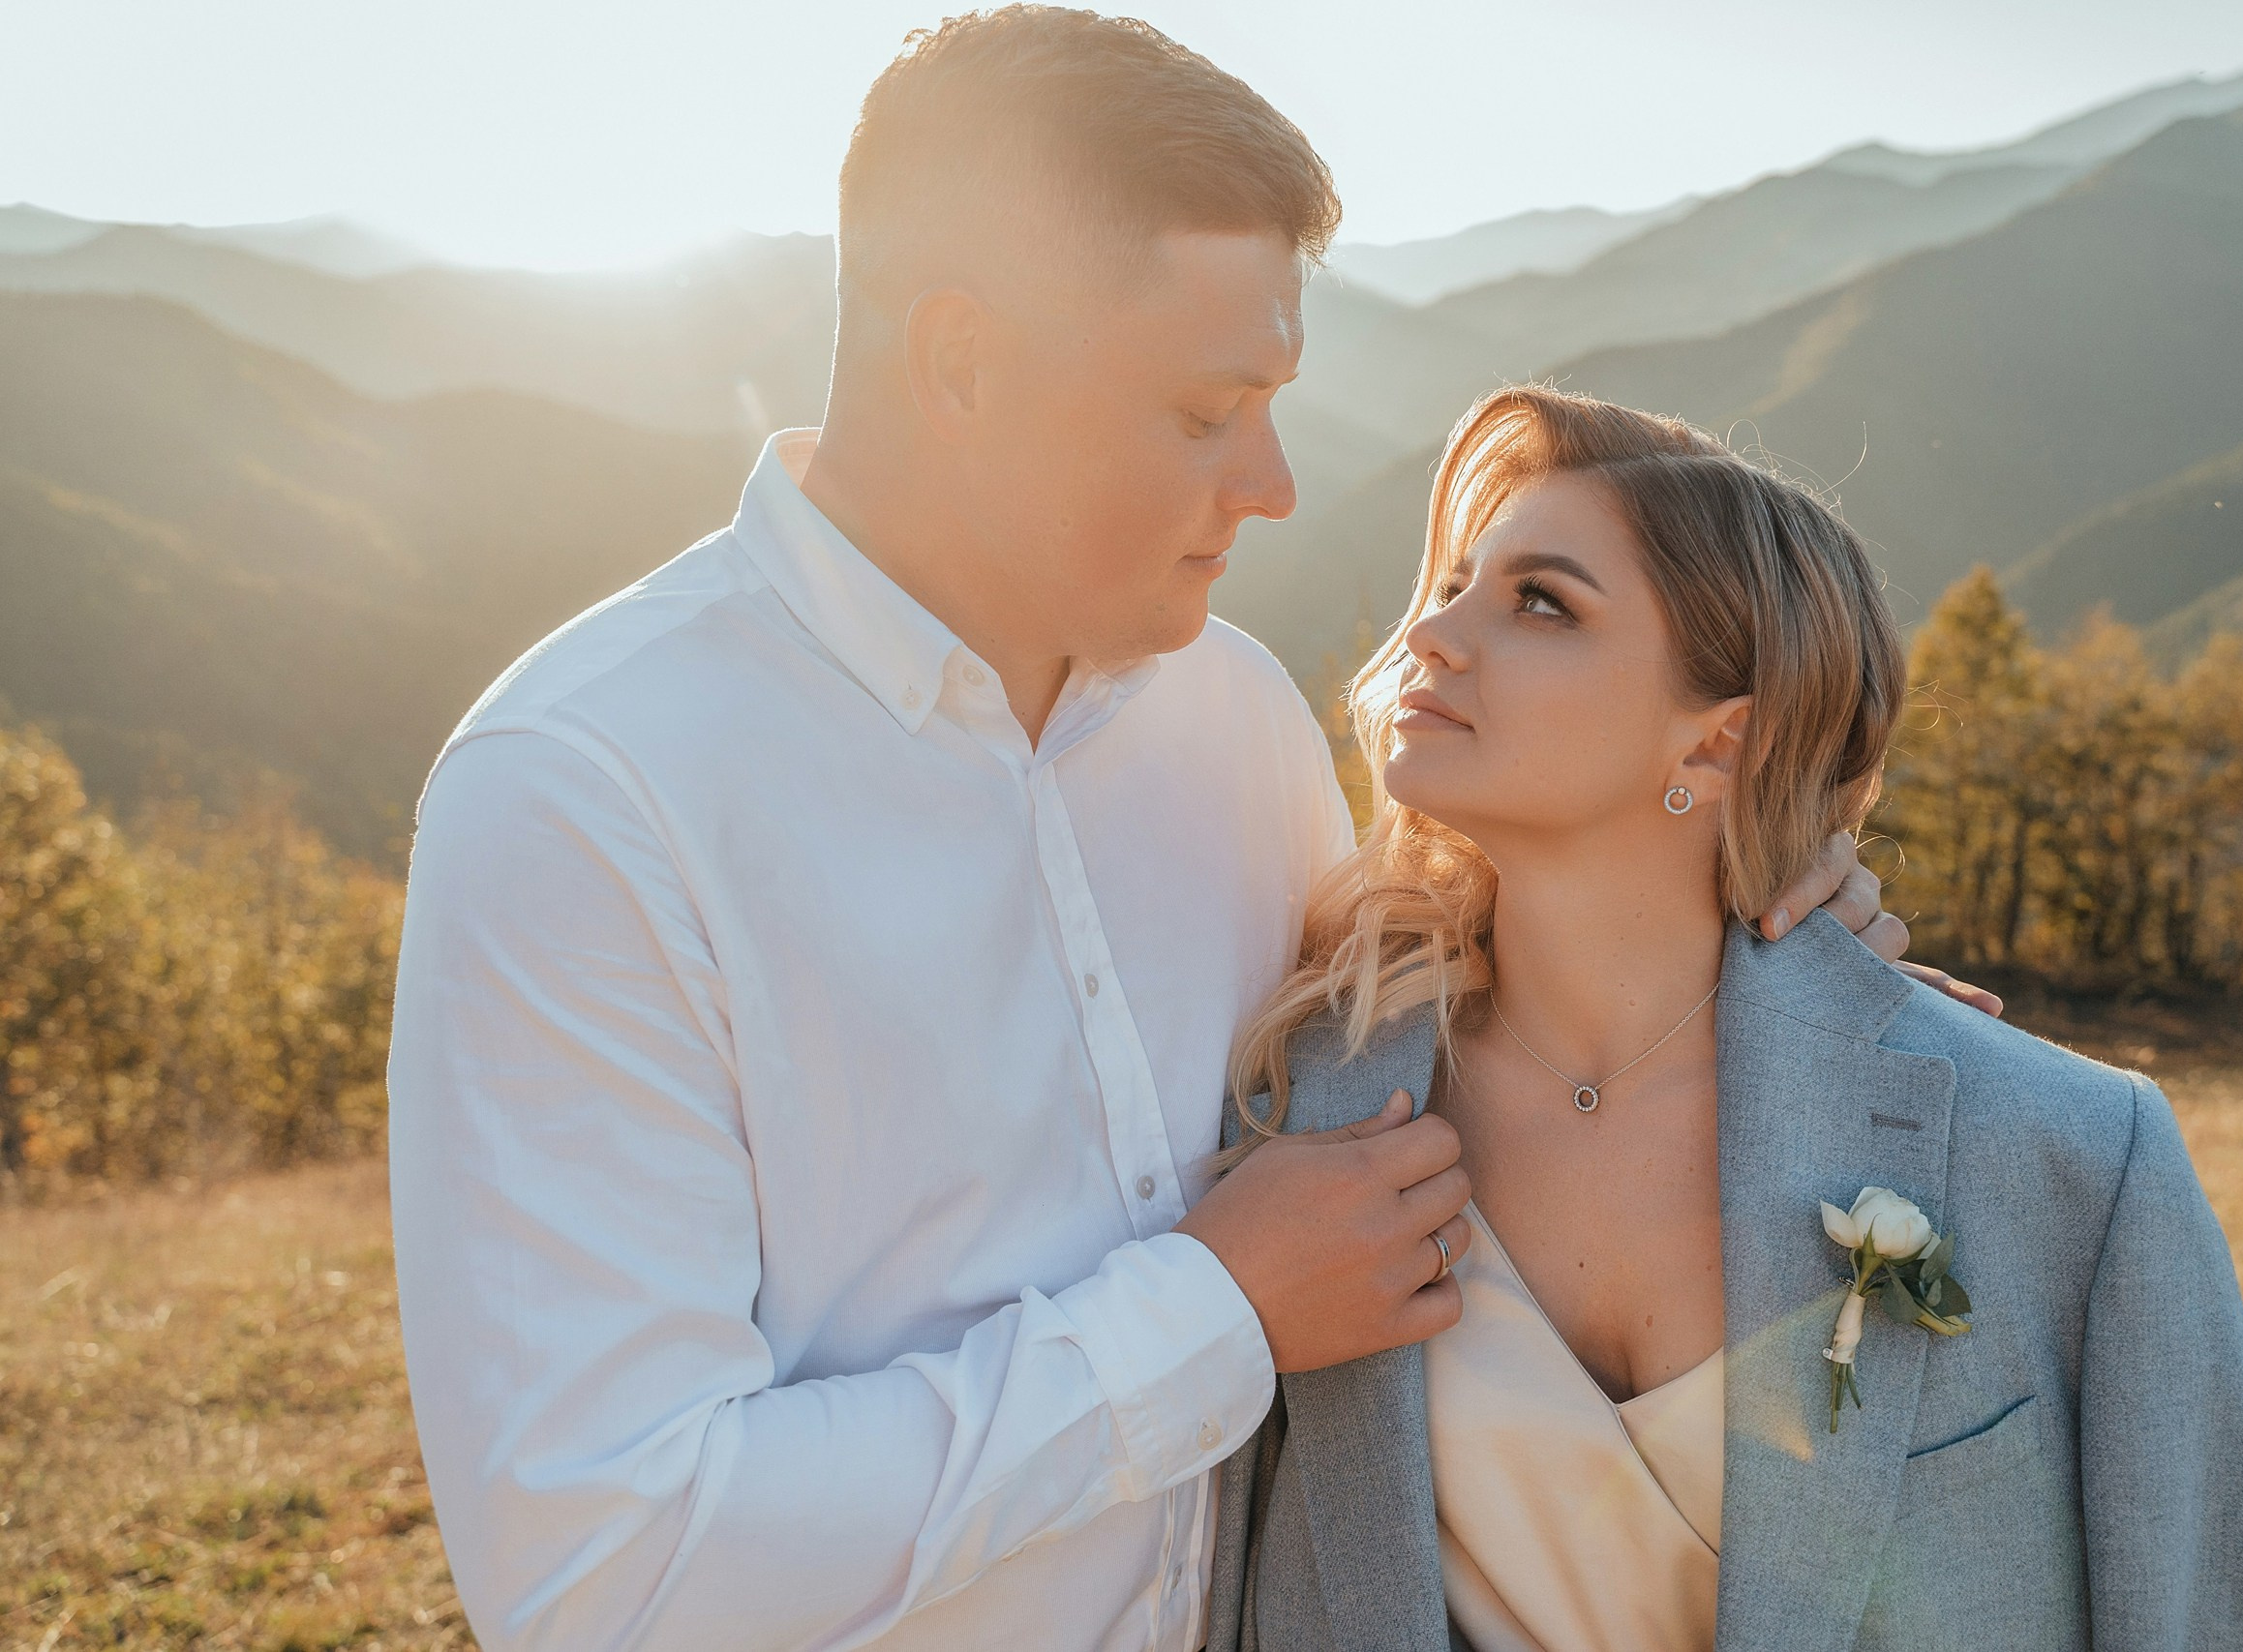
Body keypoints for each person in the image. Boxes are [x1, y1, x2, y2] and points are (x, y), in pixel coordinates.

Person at [385, 13, 1952, 1651]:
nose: (1272, 481)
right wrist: (1212, 1314)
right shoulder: (584, 796)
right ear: (963, 364)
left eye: (1274, 401)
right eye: (1208, 412)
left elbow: (1454, 1003)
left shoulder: (1234, 713)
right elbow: (602, 1570)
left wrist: (1746, 914)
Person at [1205, 386, 2243, 1652]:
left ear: (1716, 742)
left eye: (1541, 602)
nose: (1433, 634)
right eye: (1460, 584)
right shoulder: (1301, 1106)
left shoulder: (2068, 1151)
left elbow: (2231, 1617)